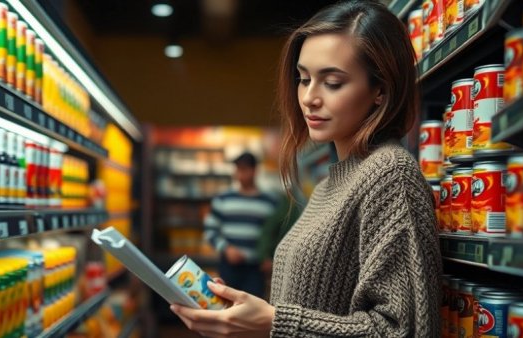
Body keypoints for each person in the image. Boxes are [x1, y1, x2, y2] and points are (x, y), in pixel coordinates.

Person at [171, 1, 442, 337]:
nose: (309, 98)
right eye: (303, 79)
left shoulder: (390, 174)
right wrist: (243, 313)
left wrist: (274, 323)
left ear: (380, 90)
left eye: (332, 82)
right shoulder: (334, 182)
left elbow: (402, 330)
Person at [203, 151, 277, 298]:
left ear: (255, 171)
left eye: (244, 169)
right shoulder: (223, 199)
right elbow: (210, 231)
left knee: (253, 308)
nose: (240, 174)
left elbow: (276, 234)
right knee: (226, 305)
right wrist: (226, 248)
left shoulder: (270, 202)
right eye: (238, 169)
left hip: (256, 269)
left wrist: (271, 257)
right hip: (229, 267)